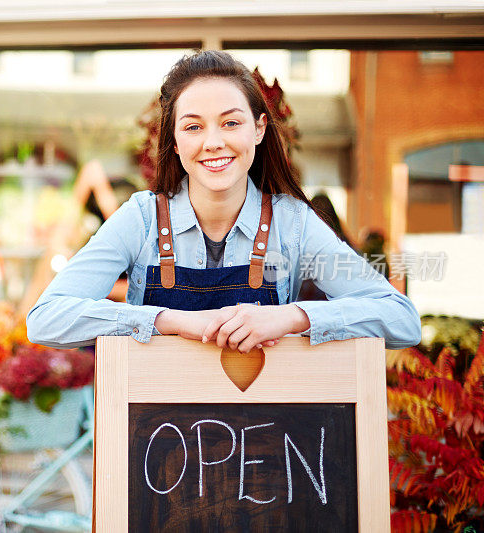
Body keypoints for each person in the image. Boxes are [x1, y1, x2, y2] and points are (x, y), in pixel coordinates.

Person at [26, 50, 421, 352]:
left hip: (263, 444)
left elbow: (401, 320)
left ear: (260, 129)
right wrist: (170, 321)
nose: (213, 141)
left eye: (231, 122)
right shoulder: (141, 220)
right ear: (176, 143)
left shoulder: (291, 224)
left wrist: (291, 317)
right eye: (194, 126)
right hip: (152, 448)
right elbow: (45, 319)